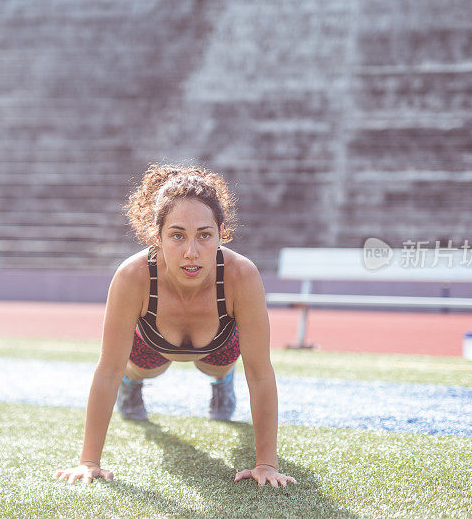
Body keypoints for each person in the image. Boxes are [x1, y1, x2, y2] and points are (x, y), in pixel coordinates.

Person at [54, 164, 296, 488]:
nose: (191, 252)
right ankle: (134, 385)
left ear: (222, 233)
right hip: (151, 345)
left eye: (205, 235)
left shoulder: (242, 276)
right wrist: (88, 462)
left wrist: (266, 464)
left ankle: (222, 382)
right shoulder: (132, 277)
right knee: (139, 368)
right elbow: (107, 370)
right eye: (177, 235)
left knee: (217, 366)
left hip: (218, 345)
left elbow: (260, 372)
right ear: (158, 234)